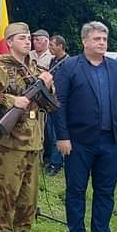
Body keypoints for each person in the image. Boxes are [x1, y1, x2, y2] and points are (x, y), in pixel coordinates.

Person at [52, 21, 117, 232]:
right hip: (78, 141)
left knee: (105, 190)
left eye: (104, 39)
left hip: (108, 140)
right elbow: (60, 104)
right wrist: (62, 137)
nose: (102, 43)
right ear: (84, 41)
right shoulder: (69, 67)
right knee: (76, 190)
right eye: (97, 39)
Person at [0, 23, 54, 232]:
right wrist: (14, 100)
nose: (27, 41)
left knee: (28, 193)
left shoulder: (33, 67)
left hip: (33, 138)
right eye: (22, 38)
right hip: (9, 141)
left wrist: (48, 85)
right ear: (9, 41)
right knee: (7, 191)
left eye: (29, 37)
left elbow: (50, 104)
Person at [43, 36, 69, 175]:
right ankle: (53, 159)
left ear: (60, 46)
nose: (50, 48)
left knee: (56, 134)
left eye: (52, 45)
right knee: (50, 132)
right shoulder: (53, 60)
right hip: (51, 101)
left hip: (61, 103)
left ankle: (56, 163)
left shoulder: (68, 62)